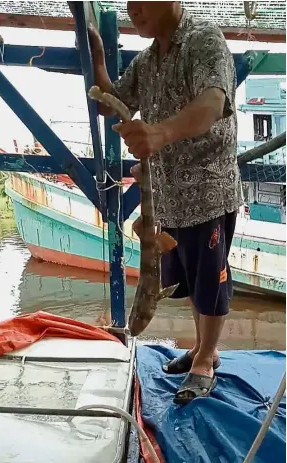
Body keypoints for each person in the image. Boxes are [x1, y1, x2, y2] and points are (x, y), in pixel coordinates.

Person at [89, 1, 243, 404]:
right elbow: (111, 103)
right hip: (168, 196)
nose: (132, 9)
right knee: (190, 280)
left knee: (211, 281)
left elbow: (212, 103)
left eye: (142, 1)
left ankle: (207, 359)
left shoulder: (202, 40)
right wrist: (99, 60)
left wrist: (157, 134)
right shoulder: (145, 61)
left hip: (207, 191)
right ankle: (197, 348)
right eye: (129, 3)